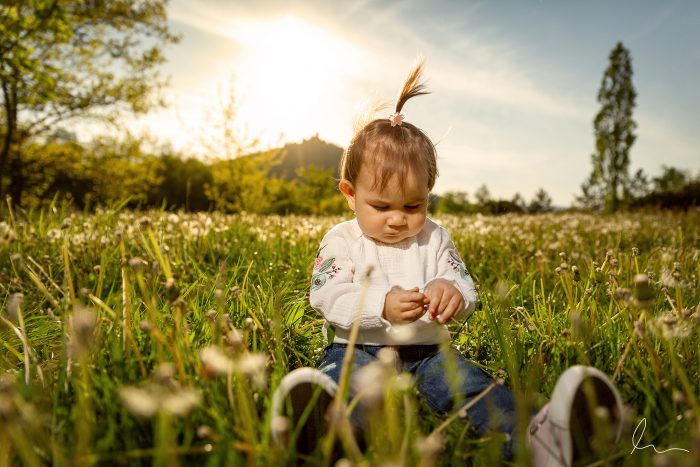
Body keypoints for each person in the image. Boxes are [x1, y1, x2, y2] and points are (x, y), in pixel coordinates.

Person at [271, 58, 623, 466]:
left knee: (472, 386)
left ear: (429, 192)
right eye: (380, 205)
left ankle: (541, 439)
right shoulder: (341, 239)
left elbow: (461, 281)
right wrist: (380, 304)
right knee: (342, 382)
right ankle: (325, 434)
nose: (398, 217)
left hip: (430, 352)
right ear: (349, 194)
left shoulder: (436, 237)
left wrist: (452, 292)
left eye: (413, 204)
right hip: (357, 349)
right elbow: (327, 296)